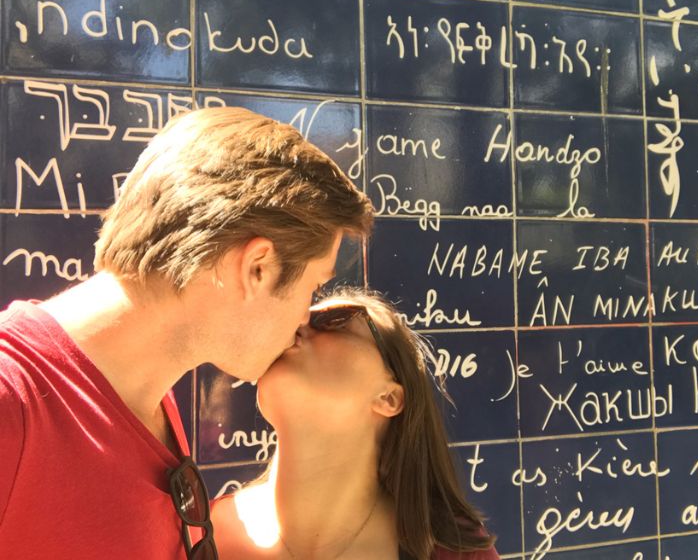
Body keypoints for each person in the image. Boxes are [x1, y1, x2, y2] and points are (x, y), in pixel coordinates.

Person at [0, 107, 373, 559]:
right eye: (313, 285)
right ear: (257, 268)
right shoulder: (13, 403)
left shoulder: (146, 393)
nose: (304, 319)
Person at [212, 288, 501, 560]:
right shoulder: (196, 532)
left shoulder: (455, 551)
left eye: (333, 322)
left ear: (389, 397)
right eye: (293, 317)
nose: (297, 326)